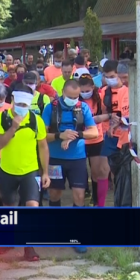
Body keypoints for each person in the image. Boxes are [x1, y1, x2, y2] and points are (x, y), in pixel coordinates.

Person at [0, 83, 50, 261]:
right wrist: (13, 128)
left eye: (25, 105)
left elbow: (43, 146)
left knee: (31, 206)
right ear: (12, 100)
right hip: (7, 169)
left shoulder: (36, 120)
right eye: (19, 104)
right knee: (9, 206)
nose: (22, 108)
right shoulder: (1, 118)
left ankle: (28, 246)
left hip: (30, 170)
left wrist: (45, 172)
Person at [41, 80, 99, 253]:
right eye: (70, 97)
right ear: (62, 92)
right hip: (55, 159)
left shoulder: (83, 108)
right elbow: (42, 135)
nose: (73, 100)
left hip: (77, 159)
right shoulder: (50, 108)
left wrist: (75, 135)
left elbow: (94, 132)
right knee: (54, 194)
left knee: (79, 195)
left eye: (76, 97)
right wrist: (60, 135)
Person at [78, 74, 111, 207]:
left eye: (87, 90)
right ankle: (81, 197)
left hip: (96, 139)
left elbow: (106, 114)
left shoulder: (99, 99)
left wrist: (99, 119)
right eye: (82, 91)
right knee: (80, 172)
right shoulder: (76, 100)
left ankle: (97, 200)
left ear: (93, 87)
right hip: (80, 140)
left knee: (97, 172)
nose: (85, 93)